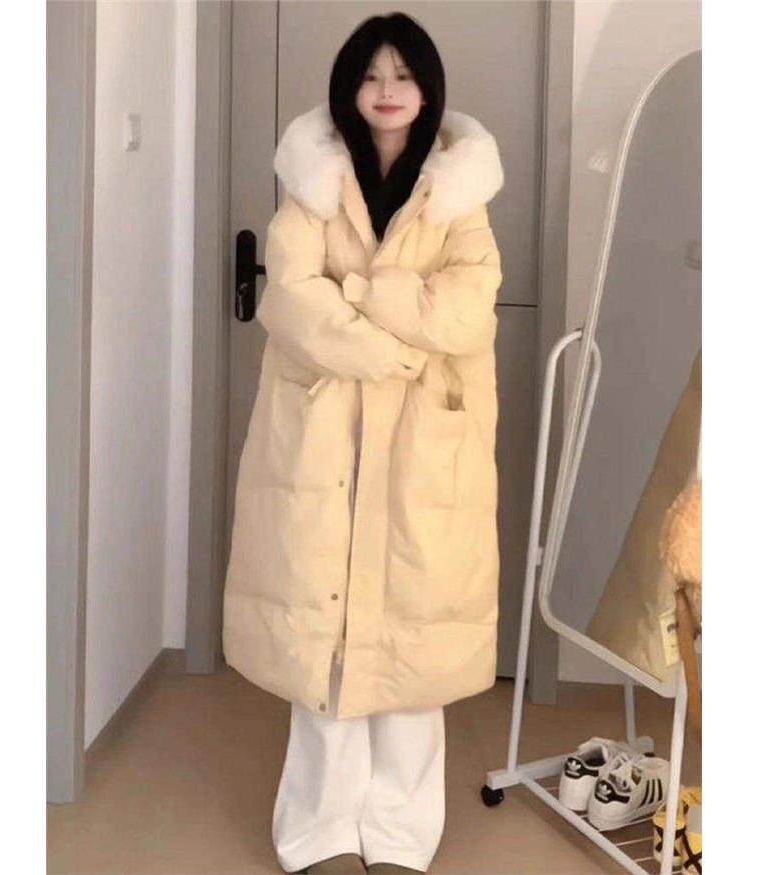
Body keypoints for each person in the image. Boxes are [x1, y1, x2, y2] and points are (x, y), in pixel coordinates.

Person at [222, 11, 504, 874]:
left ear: (427, 90)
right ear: (349, 88)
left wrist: (362, 289)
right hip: (322, 431)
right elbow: (289, 296)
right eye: (371, 75)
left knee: (414, 639)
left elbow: (467, 309)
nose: (387, 91)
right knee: (326, 633)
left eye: (403, 75)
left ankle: (401, 834)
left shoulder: (458, 193)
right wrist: (392, 340)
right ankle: (318, 829)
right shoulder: (312, 184)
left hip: (426, 441)